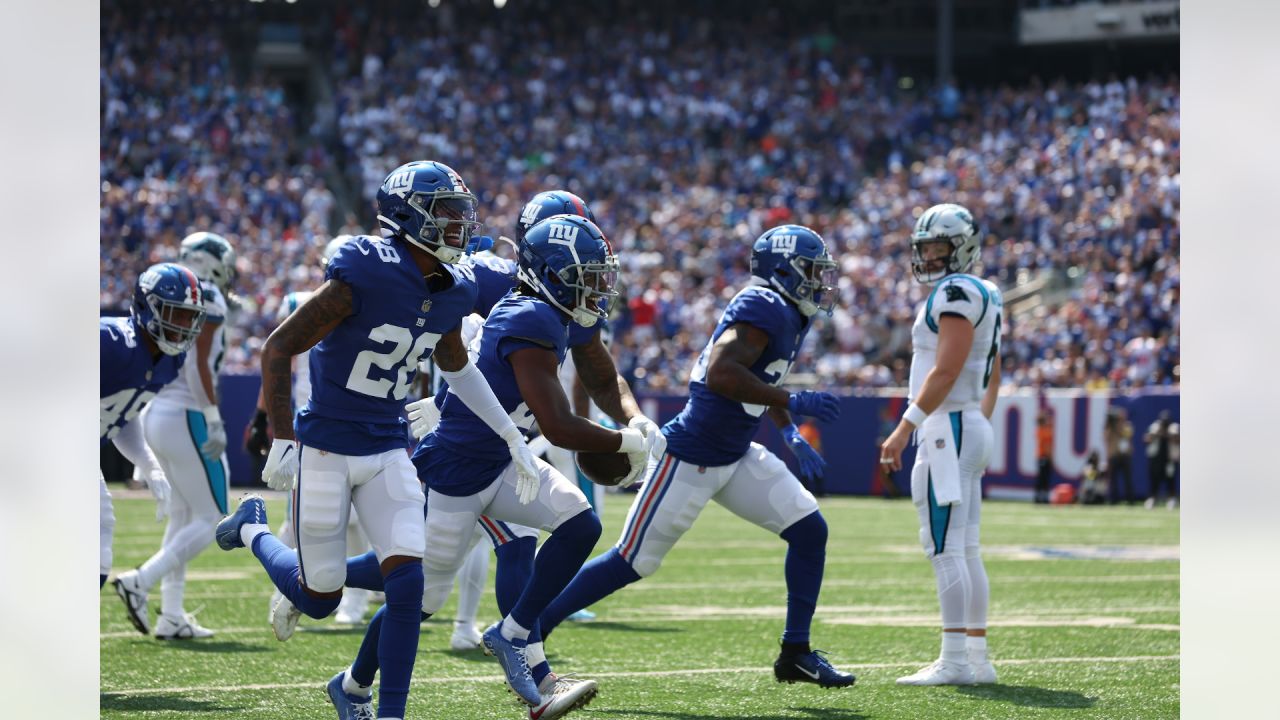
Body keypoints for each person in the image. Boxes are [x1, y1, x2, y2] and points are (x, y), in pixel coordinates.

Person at [215, 161, 537, 720]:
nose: (460, 224)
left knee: (408, 586)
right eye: (447, 212)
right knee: (321, 598)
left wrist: (511, 436)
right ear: (407, 214)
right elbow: (278, 347)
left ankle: (387, 713)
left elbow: (459, 369)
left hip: (388, 447)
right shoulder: (364, 272)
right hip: (327, 445)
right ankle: (253, 528)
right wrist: (282, 437)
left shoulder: (456, 287)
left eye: (463, 213)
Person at [537, 224, 855, 690]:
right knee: (631, 561)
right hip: (691, 455)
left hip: (735, 453)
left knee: (810, 530)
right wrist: (794, 401)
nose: (817, 281)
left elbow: (758, 377)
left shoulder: (787, 311)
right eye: (809, 270)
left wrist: (789, 431)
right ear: (783, 270)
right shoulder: (762, 304)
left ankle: (795, 653)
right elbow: (723, 374)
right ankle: (526, 630)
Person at [410, 213, 663, 709]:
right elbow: (419, 313)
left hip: (516, 445)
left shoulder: (566, 301)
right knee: (421, 585)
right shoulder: (493, 281)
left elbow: (598, 370)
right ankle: (318, 593)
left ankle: (530, 664)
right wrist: (427, 392)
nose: (595, 281)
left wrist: (633, 420)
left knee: (552, 534)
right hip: (469, 444)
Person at [879, 203, 1003, 686]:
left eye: (937, 247)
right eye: (925, 247)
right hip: (964, 423)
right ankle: (977, 658)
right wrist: (978, 422)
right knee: (965, 547)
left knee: (945, 548)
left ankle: (955, 660)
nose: (928, 256)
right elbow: (993, 369)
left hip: (947, 427)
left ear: (962, 247)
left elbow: (947, 369)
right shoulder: (985, 291)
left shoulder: (955, 291)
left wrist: (904, 427)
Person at [111, 234, 237, 640]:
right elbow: (200, 364)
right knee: (215, 515)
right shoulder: (205, 295)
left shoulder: (184, 290)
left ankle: (172, 614)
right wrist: (214, 418)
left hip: (159, 412)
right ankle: (140, 580)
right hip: (187, 413)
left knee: (185, 515)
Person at [247, 235, 376, 629]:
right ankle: (291, 589)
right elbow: (278, 356)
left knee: (358, 522)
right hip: (310, 422)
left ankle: (352, 600)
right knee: (301, 519)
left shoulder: (373, 300)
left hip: (355, 420)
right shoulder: (304, 302)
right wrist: (263, 417)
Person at [101, 264, 206, 589]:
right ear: (148, 306)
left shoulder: (169, 360)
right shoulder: (111, 341)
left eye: (190, 317)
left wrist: (149, 465)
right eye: (175, 314)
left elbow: (122, 414)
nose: (183, 325)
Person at [1143, 410, 1179, 509]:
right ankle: (1152, 499)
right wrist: (1156, 434)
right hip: (1156, 459)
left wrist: (1168, 435)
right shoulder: (1154, 427)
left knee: (1170, 480)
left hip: (1169, 459)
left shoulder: (1174, 427)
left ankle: (1171, 500)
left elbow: (1178, 439)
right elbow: (1146, 439)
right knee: (1154, 480)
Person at [1104, 407, 1135, 505]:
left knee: (1128, 479)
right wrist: (1110, 425)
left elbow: (1126, 435)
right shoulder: (1109, 427)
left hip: (1125, 455)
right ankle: (1114, 500)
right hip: (1114, 455)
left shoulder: (1127, 425)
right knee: (1113, 480)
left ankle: (1130, 499)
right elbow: (1106, 437)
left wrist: (1118, 424)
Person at [1034, 409, 1053, 504]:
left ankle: (1038, 497)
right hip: (1044, 457)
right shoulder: (1045, 431)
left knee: (1041, 479)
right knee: (1044, 479)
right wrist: (1051, 458)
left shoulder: (1039, 430)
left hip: (1040, 457)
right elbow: (1047, 447)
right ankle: (1043, 498)